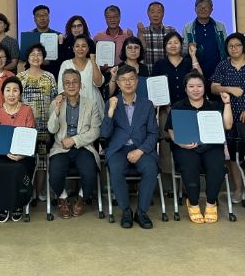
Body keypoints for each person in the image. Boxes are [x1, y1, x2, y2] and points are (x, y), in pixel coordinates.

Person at [166, 72, 233, 223]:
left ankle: (211, 203)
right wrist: (179, 142)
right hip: (186, 147)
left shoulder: (215, 106)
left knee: (217, 167)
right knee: (190, 166)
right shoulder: (178, 106)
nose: (195, 89)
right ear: (185, 89)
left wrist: (227, 103)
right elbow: (170, 129)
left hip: (212, 146)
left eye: (199, 86)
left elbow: (228, 125)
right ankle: (193, 203)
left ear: (204, 88)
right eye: (191, 86)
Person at [210, 32, 245, 205]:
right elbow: (213, 88)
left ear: (244, 46)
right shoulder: (223, 65)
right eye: (230, 46)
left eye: (237, 45)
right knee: (234, 155)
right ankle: (237, 189)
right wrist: (229, 89)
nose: (234, 48)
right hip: (230, 116)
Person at [101, 65, 159, 229]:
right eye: (123, 80)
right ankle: (126, 211)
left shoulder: (147, 104)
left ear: (137, 81)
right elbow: (105, 133)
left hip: (141, 148)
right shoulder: (111, 102)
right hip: (118, 149)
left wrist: (140, 151)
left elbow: (153, 133)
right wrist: (111, 112)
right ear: (118, 83)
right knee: (116, 169)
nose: (128, 83)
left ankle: (142, 212)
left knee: (151, 168)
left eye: (131, 79)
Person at [0, 77, 36, 222]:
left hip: (22, 155)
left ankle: (17, 204)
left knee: (18, 168)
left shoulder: (27, 110)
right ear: (3, 93)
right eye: (8, 90)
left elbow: (30, 137)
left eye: (15, 90)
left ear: (20, 93)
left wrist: (22, 155)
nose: (11, 94)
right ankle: (1, 205)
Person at [47, 69, 102, 218]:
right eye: (67, 83)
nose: (71, 85)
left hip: (83, 147)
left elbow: (95, 131)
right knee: (55, 173)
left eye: (74, 82)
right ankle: (63, 198)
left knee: (90, 172)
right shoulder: (56, 103)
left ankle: (82, 198)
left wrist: (74, 140)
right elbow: (52, 129)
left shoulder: (91, 104)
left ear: (80, 84)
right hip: (61, 148)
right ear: (63, 86)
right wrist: (57, 109)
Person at [151, 32, 201, 193]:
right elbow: (155, 89)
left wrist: (193, 56)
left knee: (188, 144)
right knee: (166, 147)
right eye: (169, 43)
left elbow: (199, 79)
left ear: (181, 45)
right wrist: (166, 106)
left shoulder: (188, 63)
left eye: (176, 42)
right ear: (164, 46)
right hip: (166, 110)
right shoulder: (159, 65)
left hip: (188, 111)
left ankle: (187, 185)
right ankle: (170, 187)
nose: (173, 45)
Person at [17, 43, 58, 200]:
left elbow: (55, 101)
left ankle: (38, 191)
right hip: (25, 127)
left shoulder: (49, 77)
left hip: (45, 127)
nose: (36, 57)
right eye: (32, 54)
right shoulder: (20, 77)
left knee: (42, 161)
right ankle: (26, 191)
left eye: (39, 54)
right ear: (27, 57)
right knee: (26, 160)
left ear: (43, 57)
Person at [181, 0, 228, 83]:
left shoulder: (220, 26)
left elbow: (226, 47)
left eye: (206, 7)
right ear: (195, 9)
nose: (203, 9)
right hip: (196, 72)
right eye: (200, 6)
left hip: (219, 71)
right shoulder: (188, 27)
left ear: (211, 10)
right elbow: (183, 51)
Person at [57, 34, 104, 116]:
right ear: (73, 48)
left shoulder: (93, 63)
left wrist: (93, 61)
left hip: (94, 102)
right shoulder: (66, 64)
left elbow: (98, 83)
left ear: (88, 48)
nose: (80, 49)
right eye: (77, 46)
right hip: (73, 105)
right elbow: (61, 89)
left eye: (84, 46)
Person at [137, 1, 176, 75]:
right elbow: (140, 53)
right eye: (152, 12)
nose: (155, 15)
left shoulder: (171, 30)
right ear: (148, 14)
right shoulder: (143, 32)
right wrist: (140, 33)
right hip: (148, 74)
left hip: (167, 74)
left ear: (163, 14)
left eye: (159, 12)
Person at [28, 4, 61, 79]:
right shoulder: (29, 36)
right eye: (39, 16)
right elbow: (25, 57)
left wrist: (49, 62)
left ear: (49, 18)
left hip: (54, 74)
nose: (42, 18)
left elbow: (62, 58)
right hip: (32, 75)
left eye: (45, 15)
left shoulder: (58, 36)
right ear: (34, 19)